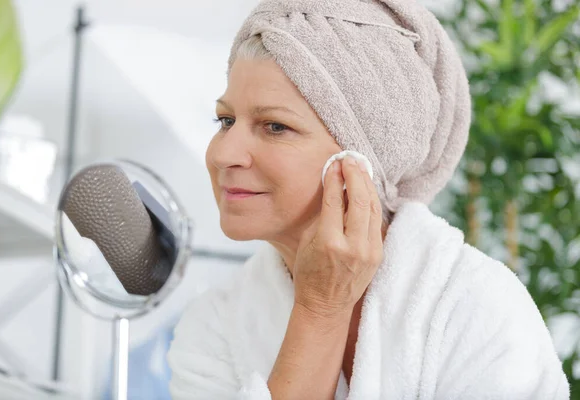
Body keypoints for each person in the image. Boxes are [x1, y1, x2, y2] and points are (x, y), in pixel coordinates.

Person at [167, 0, 570, 398]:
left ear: (363, 157)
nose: (223, 154)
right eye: (226, 121)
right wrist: (319, 312)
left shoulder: (478, 310)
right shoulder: (214, 325)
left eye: (275, 126)